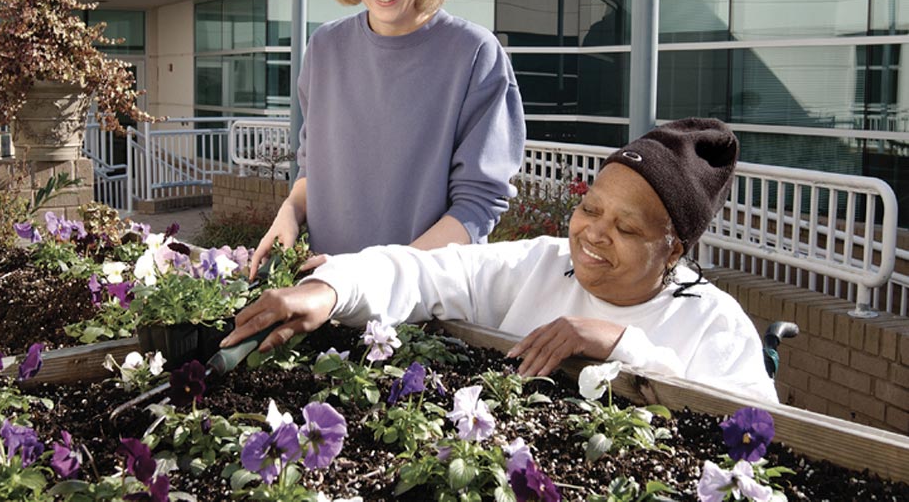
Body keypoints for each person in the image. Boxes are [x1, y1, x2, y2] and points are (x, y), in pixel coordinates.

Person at [225, 118, 779, 404]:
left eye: (627, 227)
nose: (593, 234)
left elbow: (758, 430)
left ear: (674, 248)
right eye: (589, 208)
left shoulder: (713, 322)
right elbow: (425, 270)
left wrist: (619, 344)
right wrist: (330, 289)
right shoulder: (540, 263)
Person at [250, 0, 526, 275]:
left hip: (424, 305)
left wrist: (379, 276)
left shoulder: (474, 55)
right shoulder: (325, 49)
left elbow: (477, 206)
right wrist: (289, 212)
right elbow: (316, 171)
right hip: (324, 291)